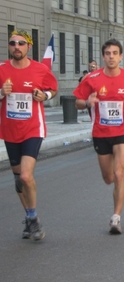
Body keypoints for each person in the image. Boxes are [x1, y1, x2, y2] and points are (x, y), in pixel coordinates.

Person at [73, 39, 124, 234]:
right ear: (103, 56)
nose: (111, 56)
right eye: (108, 53)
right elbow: (77, 102)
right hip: (101, 132)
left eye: (115, 53)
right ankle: (117, 187)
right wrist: (88, 102)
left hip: (123, 129)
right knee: (108, 178)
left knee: (119, 173)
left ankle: (116, 218)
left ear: (120, 56)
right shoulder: (92, 78)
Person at [0, 30, 58, 240]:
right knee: (18, 180)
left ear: (28, 47)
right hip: (9, 130)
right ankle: (29, 217)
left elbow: (53, 88)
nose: (17, 46)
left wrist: (45, 95)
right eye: (13, 43)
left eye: (21, 43)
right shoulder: (1, 69)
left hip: (33, 129)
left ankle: (32, 218)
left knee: (26, 175)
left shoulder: (40, 69)